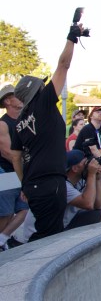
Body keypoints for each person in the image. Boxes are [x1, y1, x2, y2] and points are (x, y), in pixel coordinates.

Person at [8, 19, 85, 241]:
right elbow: (63, 65)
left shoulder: (20, 121)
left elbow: (15, 156)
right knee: (50, 237)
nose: (46, 86)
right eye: (42, 85)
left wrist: (24, 184)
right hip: (50, 183)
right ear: (37, 91)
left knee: (46, 230)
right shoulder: (43, 103)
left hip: (33, 185)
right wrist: (72, 38)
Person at [0, 85, 29, 250]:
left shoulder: (23, 121)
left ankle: (2, 240)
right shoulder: (3, 124)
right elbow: (7, 153)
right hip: (6, 174)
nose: (21, 98)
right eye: (17, 95)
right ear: (8, 101)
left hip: (19, 173)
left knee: (24, 209)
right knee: (6, 213)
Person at [63, 149, 101, 230]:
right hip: (63, 226)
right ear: (75, 168)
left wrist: (97, 179)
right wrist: (91, 174)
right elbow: (88, 204)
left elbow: (97, 205)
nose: (89, 166)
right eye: (86, 163)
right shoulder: (64, 186)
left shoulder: (80, 180)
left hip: (73, 217)